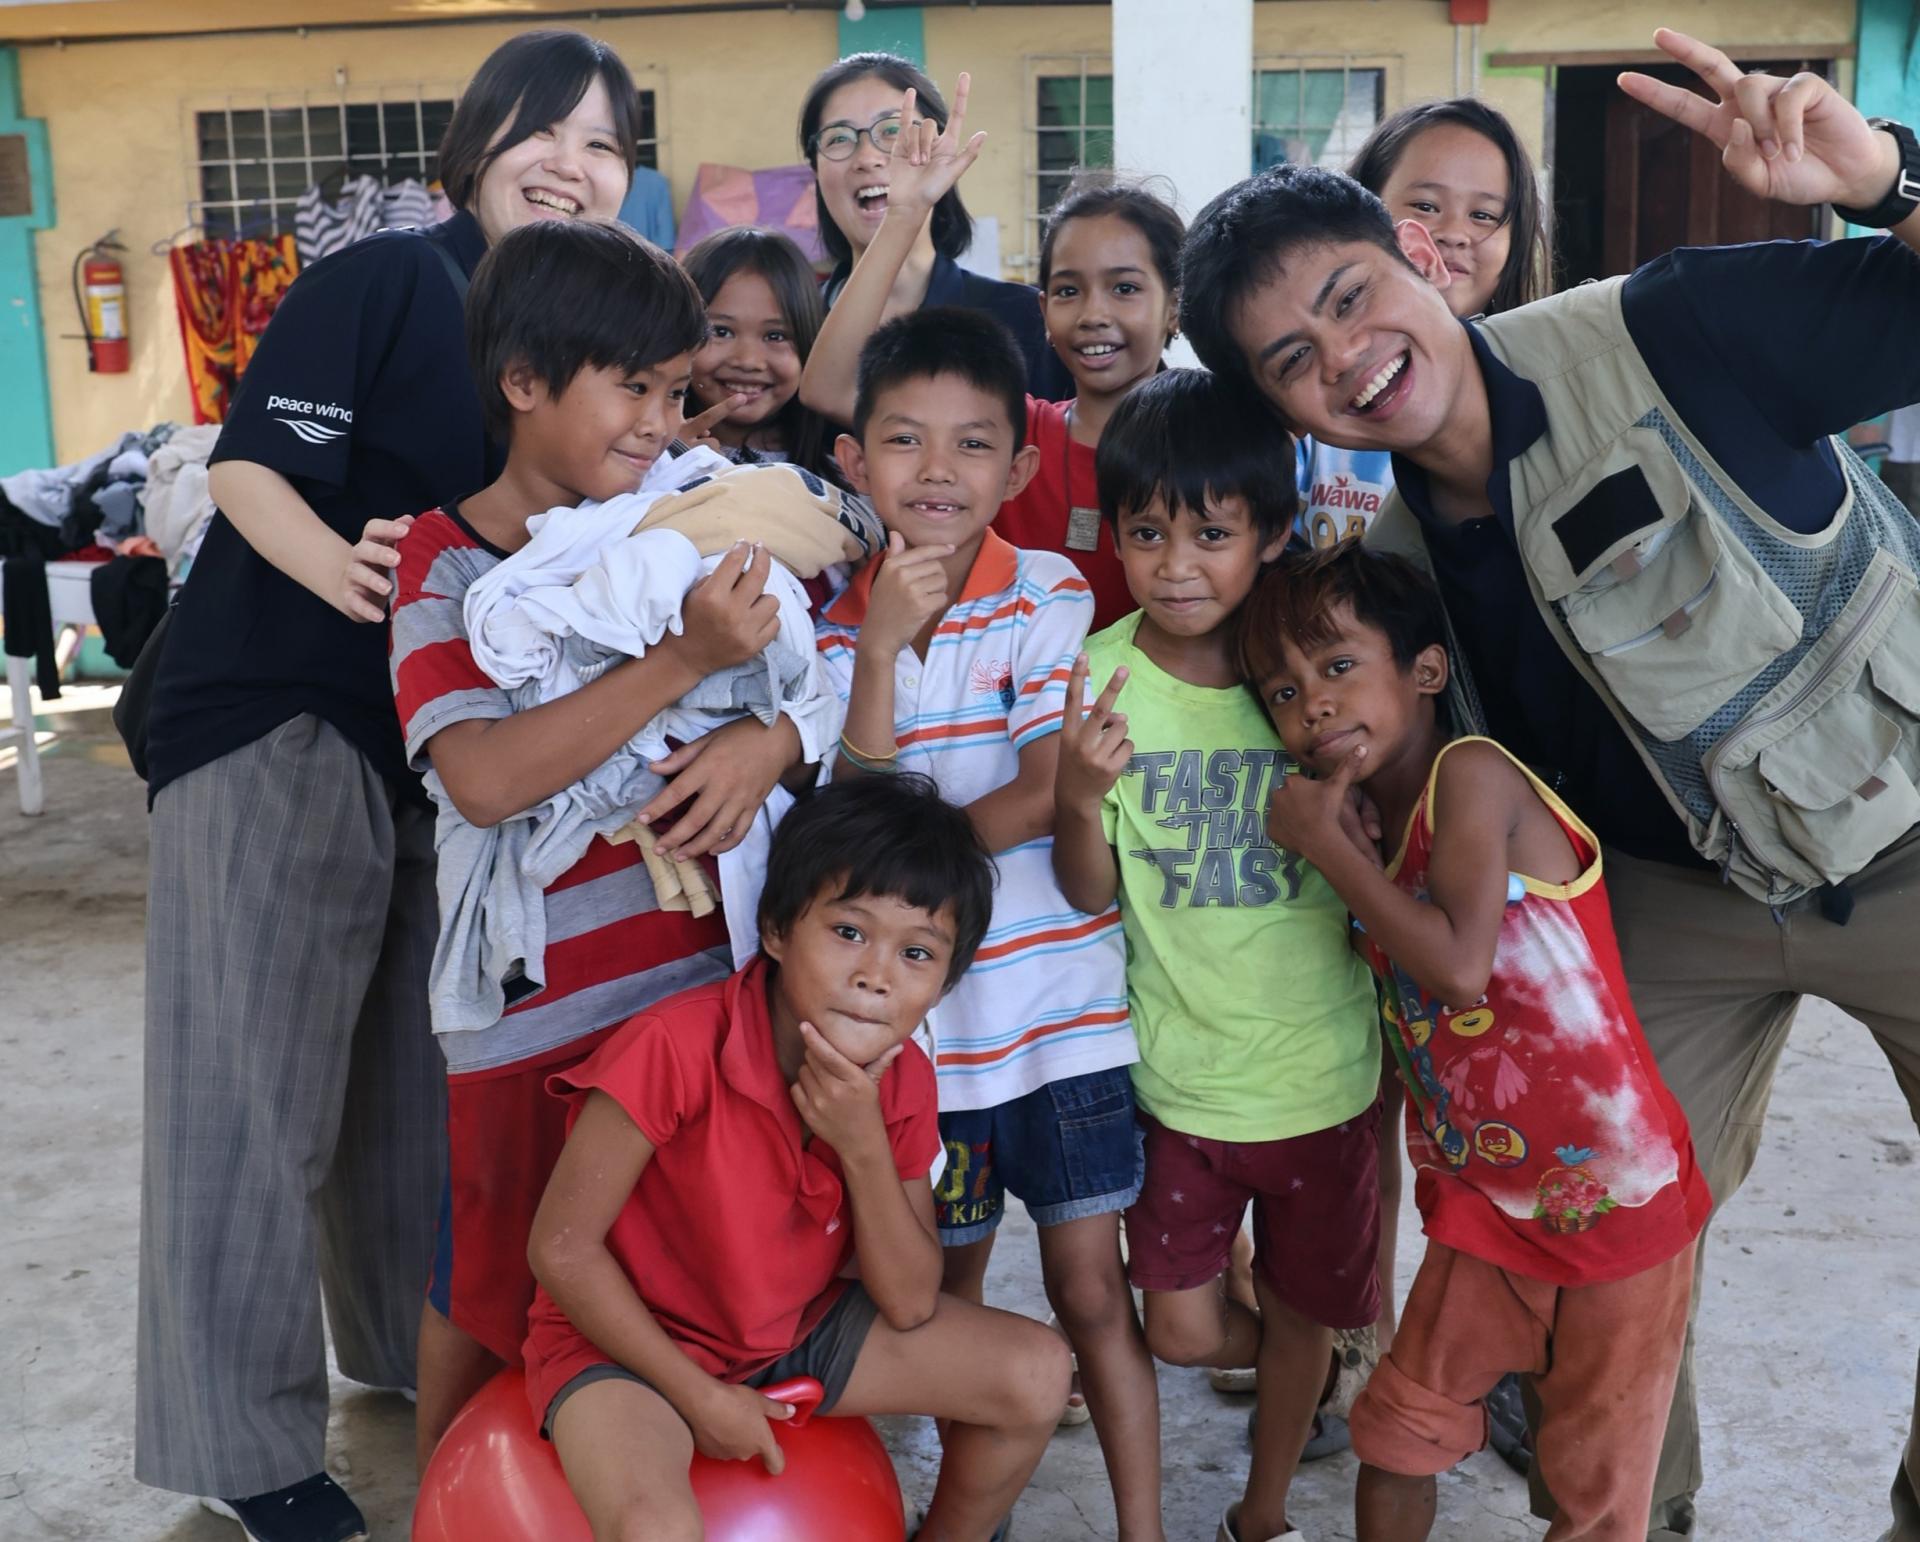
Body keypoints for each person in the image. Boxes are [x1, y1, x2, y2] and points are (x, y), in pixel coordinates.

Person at [1181, 27, 1920, 1541]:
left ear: (1412, 253)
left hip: (1913, 829)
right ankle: (1642, 1514)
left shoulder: (1675, 325)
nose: (1349, 360)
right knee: (1599, 1241)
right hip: (1669, 908)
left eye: (1350, 298)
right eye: (1293, 362)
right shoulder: (1392, 586)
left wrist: (1890, 180)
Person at [135, 31, 649, 1542]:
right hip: (274, 714)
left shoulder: (555, 334)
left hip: (429, 751)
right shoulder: (391, 280)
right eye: (539, 133)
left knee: (404, 1091)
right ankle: (240, 1442)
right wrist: (362, 578)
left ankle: (381, 1348)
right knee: (249, 1090)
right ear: (473, 147)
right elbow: (247, 469)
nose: (570, 161)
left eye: (604, 143)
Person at [388, 217, 801, 1466]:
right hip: (534, 1017)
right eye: (635, 388)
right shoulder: (441, 563)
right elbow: (487, 774)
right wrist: (683, 657)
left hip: (690, 998)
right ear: (523, 384)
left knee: (674, 1250)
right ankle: (444, 1489)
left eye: (677, 395)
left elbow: (803, 679)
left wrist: (770, 743)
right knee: (494, 1270)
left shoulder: (683, 525)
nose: (661, 423)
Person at [1249, 541, 1710, 1542]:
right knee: (1397, 1438)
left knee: (1593, 1497)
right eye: (1283, 691)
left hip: (1617, 1211)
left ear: (1424, 671)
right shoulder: (1377, 826)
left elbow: (1458, 967)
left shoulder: (1474, 776)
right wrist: (1351, 855)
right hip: (1490, 1213)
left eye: (1337, 668)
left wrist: (1331, 854)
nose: (1313, 707)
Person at [816, 308, 1162, 1540]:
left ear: (1019, 470)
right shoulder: (833, 625)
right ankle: (977, 1511)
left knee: (1092, 1293)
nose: (938, 473)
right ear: (854, 463)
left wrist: (898, 859)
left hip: (1061, 1025)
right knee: (942, 1298)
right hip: (925, 1053)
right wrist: (878, 657)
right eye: (904, 442)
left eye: (972, 447)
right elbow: (845, 834)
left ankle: (1145, 1527)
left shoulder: (1047, 594)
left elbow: (1035, 787)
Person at [523, 773, 1071, 1542]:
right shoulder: (675, 1047)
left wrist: (861, 1143)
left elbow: (912, 1302)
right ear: (778, 930)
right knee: (654, 1528)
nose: (875, 974)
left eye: (916, 953)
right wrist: (700, 1396)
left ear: (944, 984)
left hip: (791, 1330)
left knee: (1037, 1374)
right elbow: (561, 1248)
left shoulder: (903, 1073)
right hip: (629, 1346)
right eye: (848, 932)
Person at [1052, 369, 1383, 1542]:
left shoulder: (1302, 676)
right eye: (1149, 532)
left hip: (1326, 1078)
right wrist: (1079, 800)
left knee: (1305, 1304)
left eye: (1213, 533)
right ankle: (1310, 1361)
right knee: (1185, 1328)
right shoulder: (1100, 676)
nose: (1177, 564)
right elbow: (1088, 893)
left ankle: (1263, 1504)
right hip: (1180, 1082)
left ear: (1274, 535)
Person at [800, 87, 1182, 630]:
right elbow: (827, 389)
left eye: (1125, 289)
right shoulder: (1001, 436)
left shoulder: (1203, 436)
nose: (1094, 313)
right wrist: (904, 216)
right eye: (1070, 292)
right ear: (1043, 311)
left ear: (1174, 308)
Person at [1295, 97, 1552, 552]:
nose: (1453, 233)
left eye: (1484, 215)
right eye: (1425, 205)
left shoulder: (1556, 385)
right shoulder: (1311, 408)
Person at [798, 53, 1072, 403]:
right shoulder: (791, 327)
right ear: (815, 171)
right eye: (838, 138)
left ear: (942, 148)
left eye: (893, 130)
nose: (867, 158)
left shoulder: (1023, 318)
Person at [681, 225, 844, 484]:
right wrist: (670, 468)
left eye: (775, 336)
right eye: (721, 331)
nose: (748, 361)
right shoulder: (646, 459)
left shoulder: (845, 470)